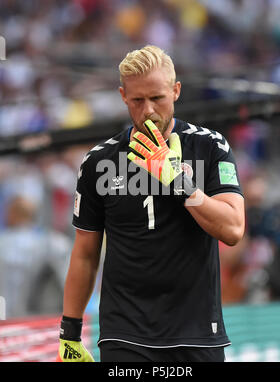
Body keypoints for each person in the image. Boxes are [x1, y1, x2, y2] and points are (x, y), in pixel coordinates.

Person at [56, 45, 245, 362]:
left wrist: (177, 180)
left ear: (176, 91)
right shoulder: (98, 162)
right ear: (122, 96)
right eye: (137, 100)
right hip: (124, 336)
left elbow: (233, 228)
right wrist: (69, 335)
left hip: (197, 332)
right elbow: (85, 253)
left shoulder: (209, 146)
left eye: (157, 98)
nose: (148, 111)